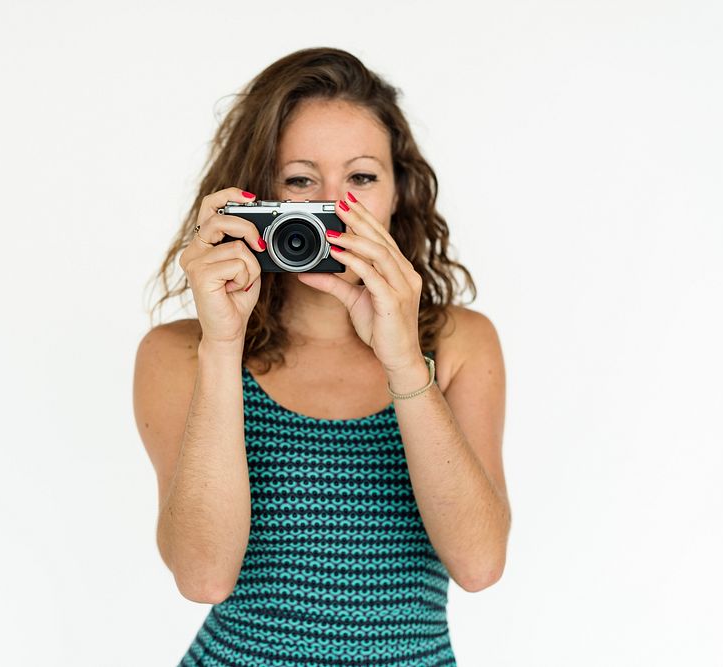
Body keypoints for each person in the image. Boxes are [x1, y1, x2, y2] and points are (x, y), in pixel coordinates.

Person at [133, 46, 509, 666]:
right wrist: (223, 345)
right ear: (257, 198)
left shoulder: (459, 343)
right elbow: (203, 577)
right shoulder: (180, 354)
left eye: (361, 177)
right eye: (300, 180)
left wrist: (406, 366)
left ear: (398, 193)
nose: (332, 210)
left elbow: (479, 564)